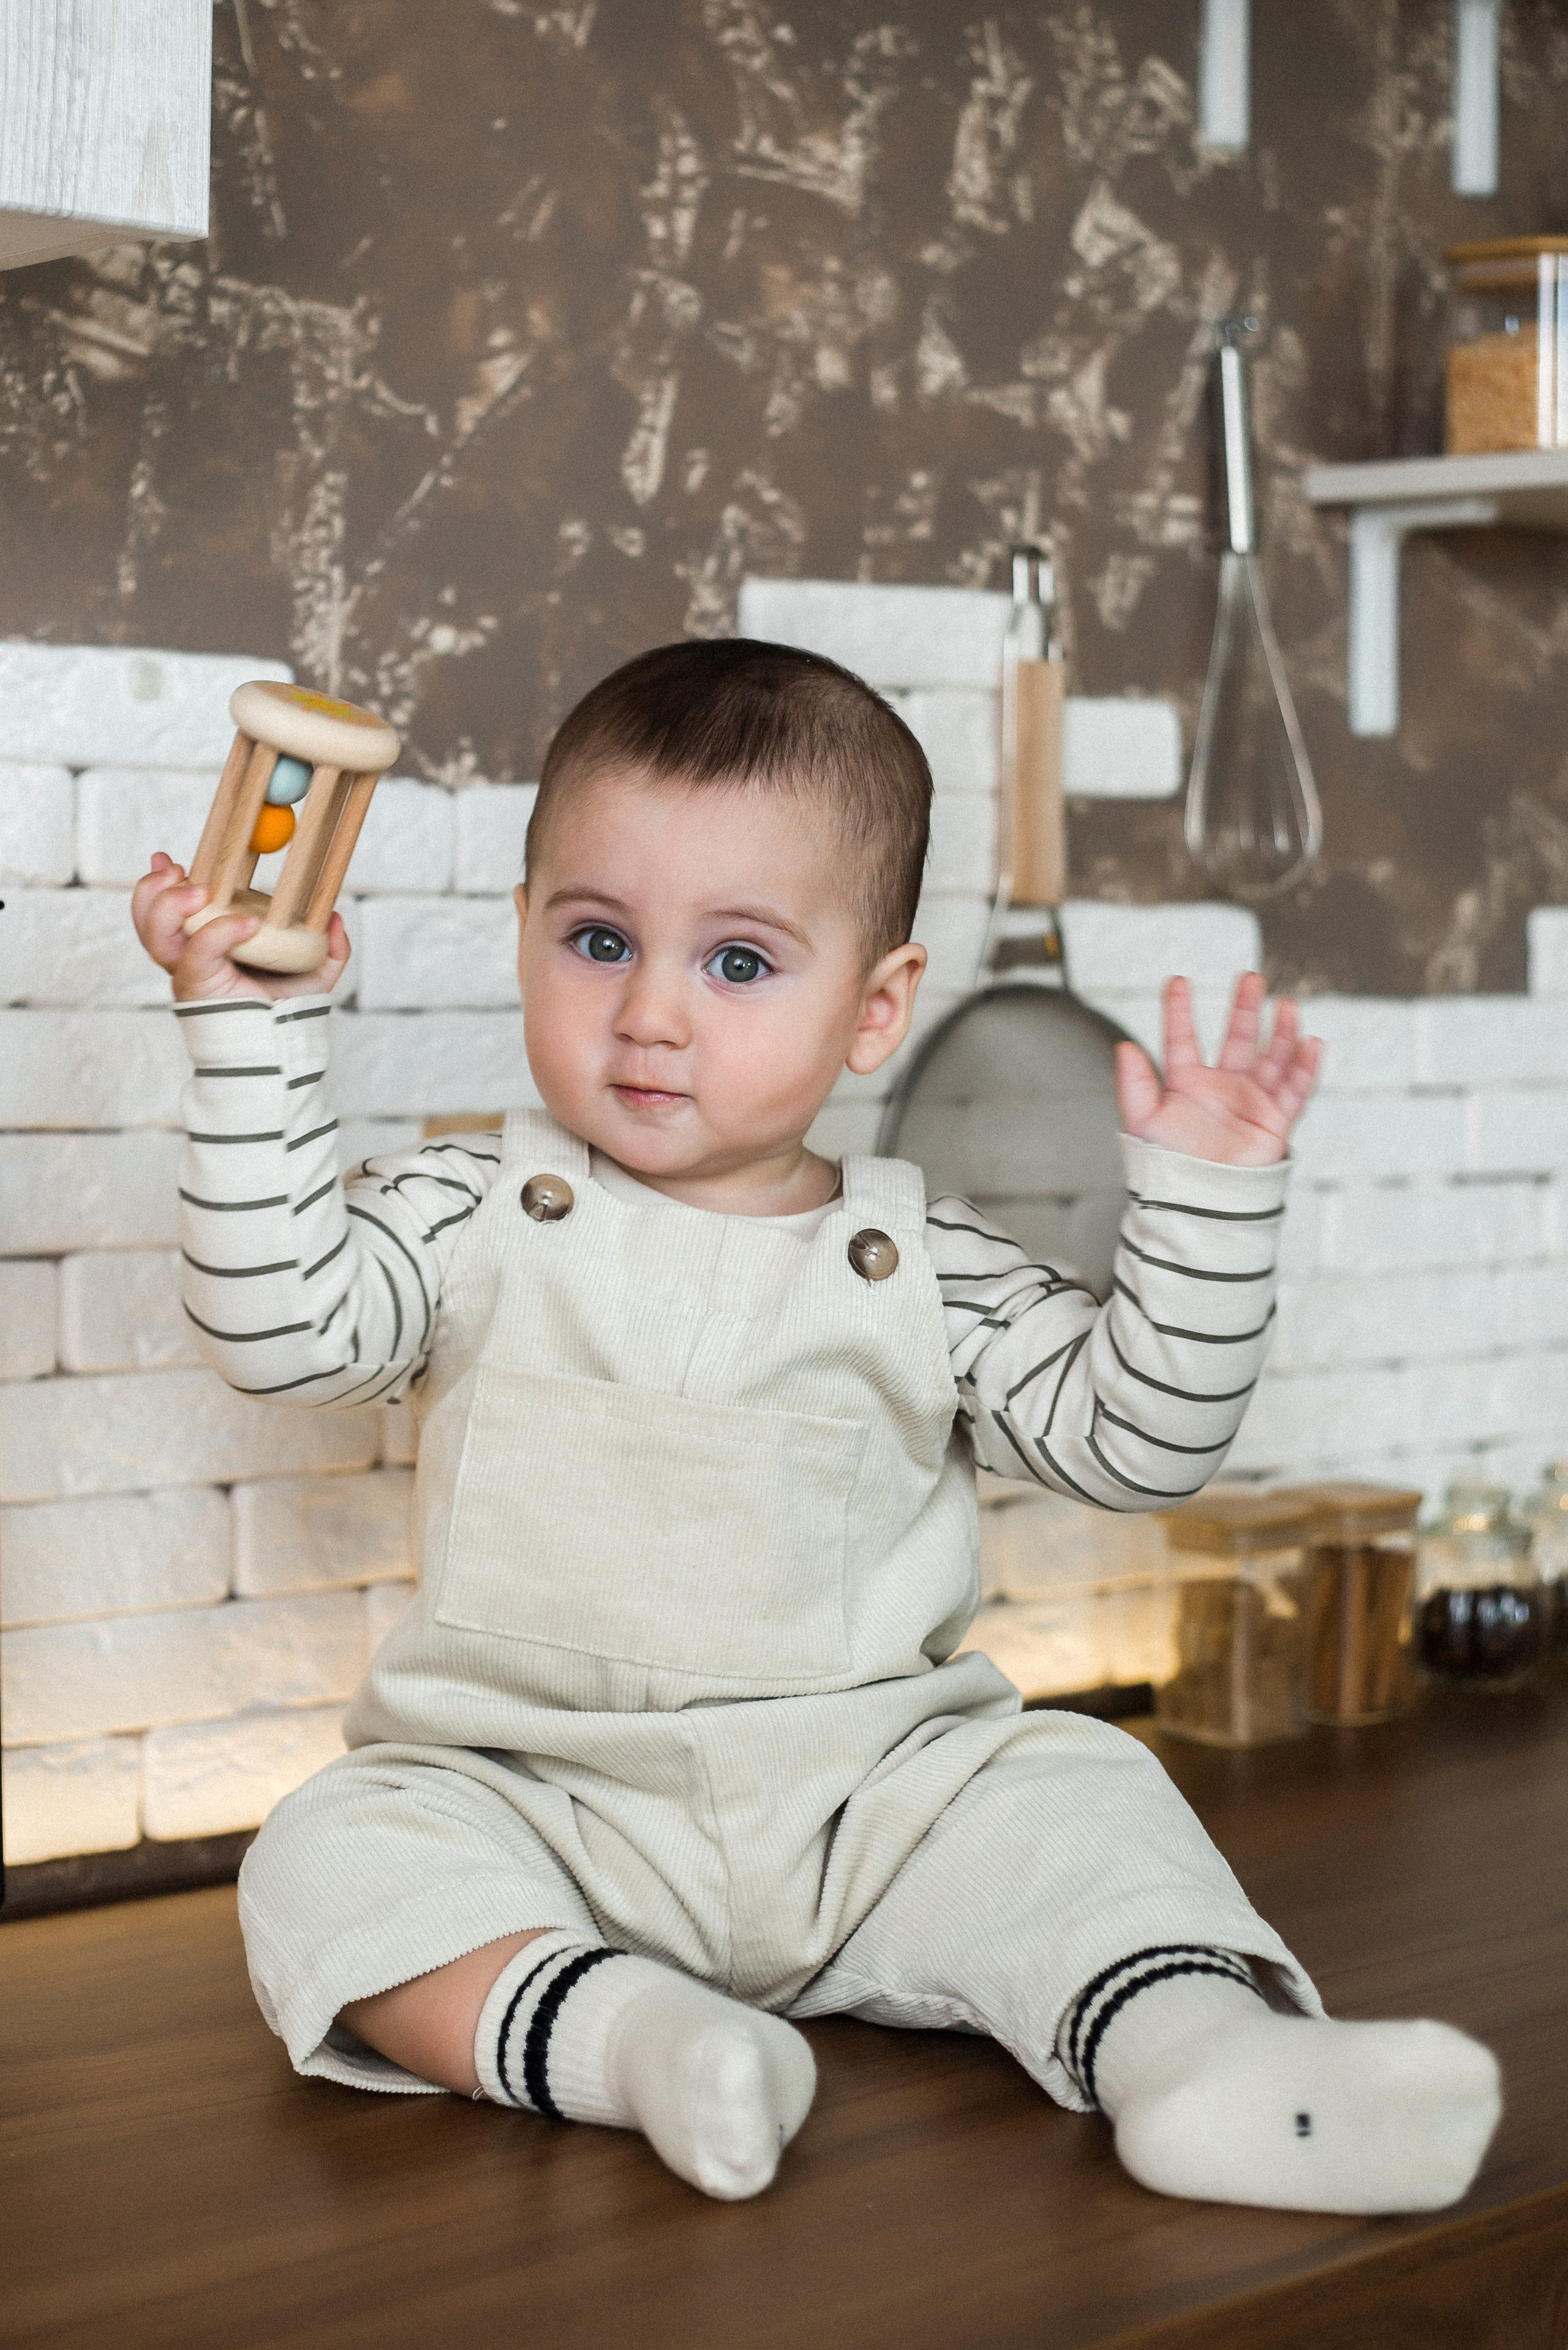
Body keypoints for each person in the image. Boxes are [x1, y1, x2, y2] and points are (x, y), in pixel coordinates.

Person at [132, 638, 1499, 2210]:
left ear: (873, 1006)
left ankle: (1201, 2059)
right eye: (595, 939)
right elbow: (280, 1331)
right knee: (327, 1852)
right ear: (518, 936)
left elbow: (1141, 1448)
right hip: (536, 1805)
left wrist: (1205, 1202)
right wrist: (246, 1030)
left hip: (875, 1810)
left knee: (1072, 1790)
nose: (649, 1013)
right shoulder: (466, 1210)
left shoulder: (930, 1266)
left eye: (735, 963)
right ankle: (628, 2036)